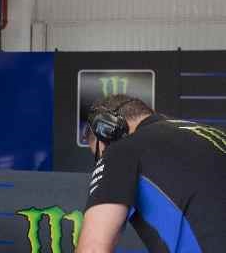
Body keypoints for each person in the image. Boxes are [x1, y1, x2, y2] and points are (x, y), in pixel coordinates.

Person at [77, 94, 226, 253]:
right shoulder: (215, 136)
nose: (101, 159)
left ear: (108, 130)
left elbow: (93, 248)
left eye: (98, 155)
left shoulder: (121, 150)